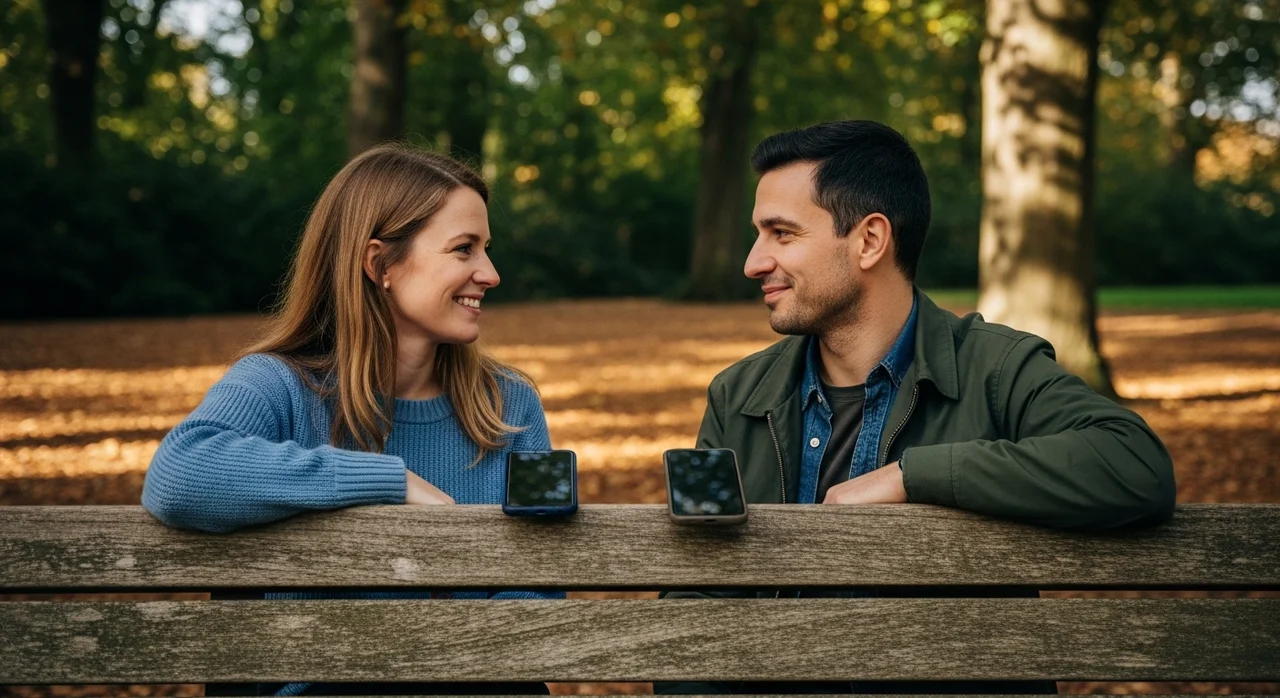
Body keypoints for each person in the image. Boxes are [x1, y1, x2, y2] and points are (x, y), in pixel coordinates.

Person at [657, 120, 1176, 695]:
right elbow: (694, 595)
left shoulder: (993, 371)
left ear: (870, 240)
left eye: (782, 234)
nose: (753, 262)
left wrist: (912, 477)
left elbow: (1135, 464)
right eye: (759, 234)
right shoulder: (739, 395)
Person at [142, 144, 558, 696]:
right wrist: (389, 481)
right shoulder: (280, 385)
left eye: (486, 248)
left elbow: (538, 594)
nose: (491, 273)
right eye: (464, 249)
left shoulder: (509, 407)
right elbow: (179, 476)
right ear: (378, 263)